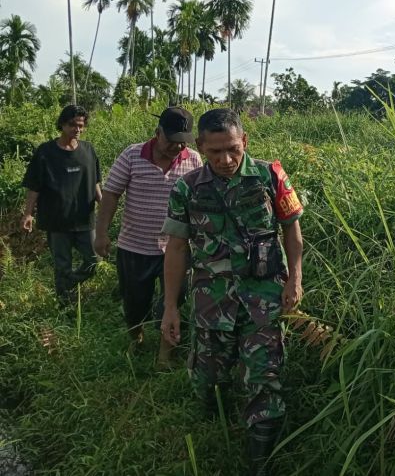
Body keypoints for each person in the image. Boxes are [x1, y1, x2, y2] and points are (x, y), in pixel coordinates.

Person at [160, 108, 303, 475]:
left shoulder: (271, 176)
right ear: (201, 148)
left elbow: (292, 231)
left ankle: (258, 458)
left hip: (263, 295)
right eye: (215, 152)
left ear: (245, 142)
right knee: (208, 375)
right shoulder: (187, 188)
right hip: (212, 299)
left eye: (233, 149)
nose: (225, 160)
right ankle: (210, 408)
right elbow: (176, 248)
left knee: (264, 375)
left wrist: (295, 279)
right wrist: (171, 308)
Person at [94, 107, 203, 359]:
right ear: (157, 132)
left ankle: (165, 355)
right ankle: (137, 338)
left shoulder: (194, 159)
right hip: (135, 246)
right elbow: (111, 195)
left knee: (173, 302)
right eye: (171, 141)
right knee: (134, 303)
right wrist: (101, 233)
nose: (177, 148)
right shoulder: (132, 155)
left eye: (181, 143)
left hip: (175, 249)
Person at [21, 104, 102, 305]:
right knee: (62, 264)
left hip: (85, 218)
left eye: (81, 126)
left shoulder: (88, 150)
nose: (77, 130)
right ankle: (64, 304)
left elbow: (96, 182)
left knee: (94, 260)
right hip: (57, 220)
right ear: (62, 125)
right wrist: (28, 214)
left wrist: (105, 205)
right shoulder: (45, 152)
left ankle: (70, 284)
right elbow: (34, 186)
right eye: (72, 125)